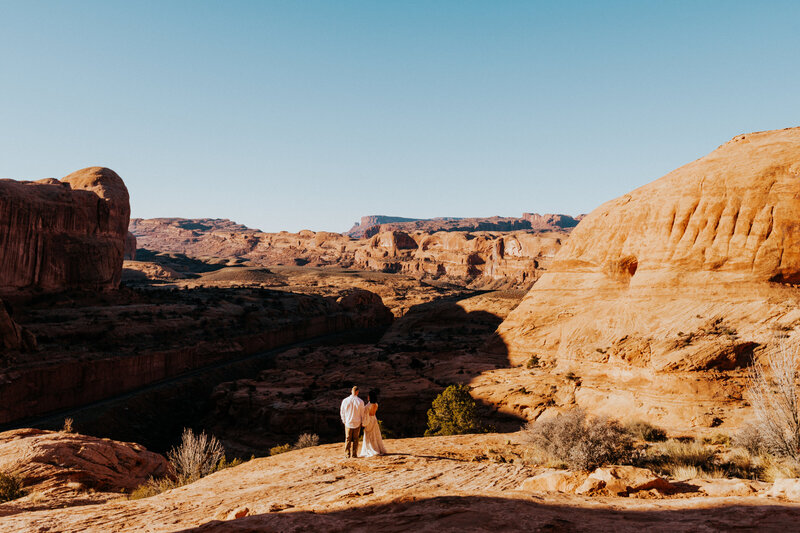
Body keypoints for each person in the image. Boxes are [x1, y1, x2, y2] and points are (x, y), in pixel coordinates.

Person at [360, 389, 387, 457]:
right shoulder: (376, 404)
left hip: (369, 420)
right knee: (375, 434)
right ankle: (377, 448)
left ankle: (371, 448)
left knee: (369, 434)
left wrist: (363, 422)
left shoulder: (368, 405)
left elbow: (368, 414)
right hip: (374, 419)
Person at [340, 385, 365, 458]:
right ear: (357, 392)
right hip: (357, 422)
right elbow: (362, 413)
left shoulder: (345, 400)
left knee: (347, 439)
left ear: (351, 391)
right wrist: (362, 422)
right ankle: (354, 454)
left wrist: (344, 420)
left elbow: (342, 411)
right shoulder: (360, 401)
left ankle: (347, 454)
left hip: (348, 422)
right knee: (356, 439)